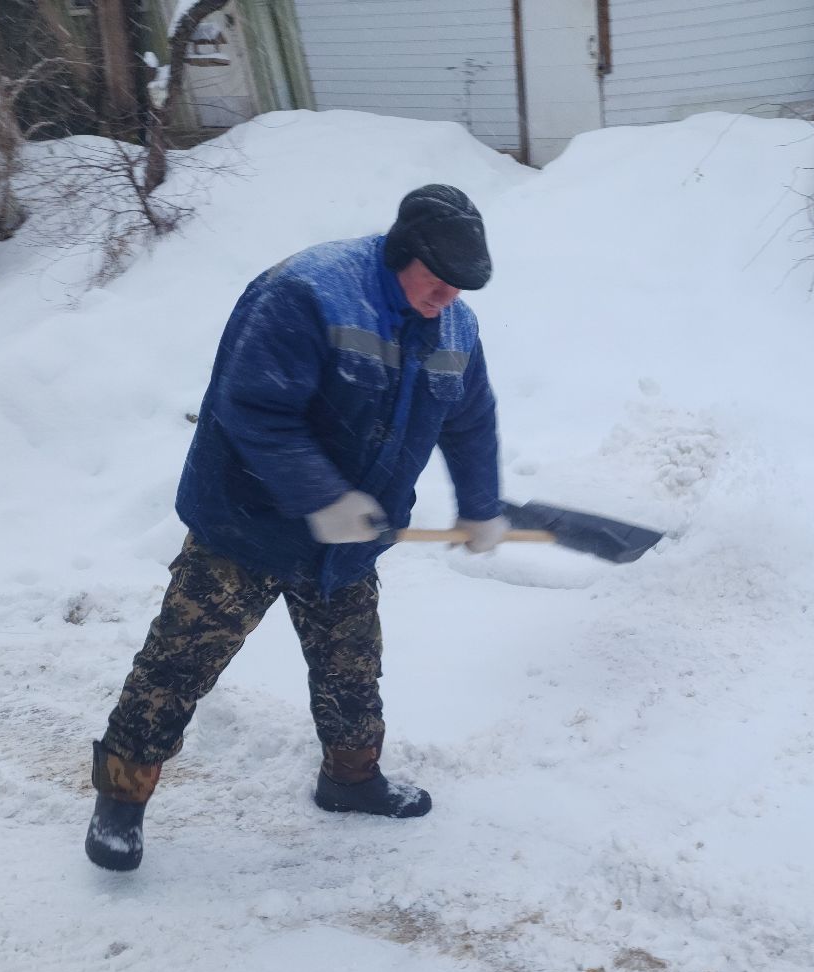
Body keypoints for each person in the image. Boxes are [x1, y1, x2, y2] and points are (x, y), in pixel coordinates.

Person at [84, 184, 508, 872]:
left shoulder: (455, 329)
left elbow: (469, 419)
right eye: (437, 281)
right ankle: (121, 800)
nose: (446, 299)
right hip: (245, 524)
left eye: (461, 287)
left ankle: (349, 780)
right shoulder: (309, 293)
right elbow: (252, 410)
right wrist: (323, 498)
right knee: (177, 664)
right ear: (403, 255)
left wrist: (480, 504)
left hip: (346, 542)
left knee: (351, 669)